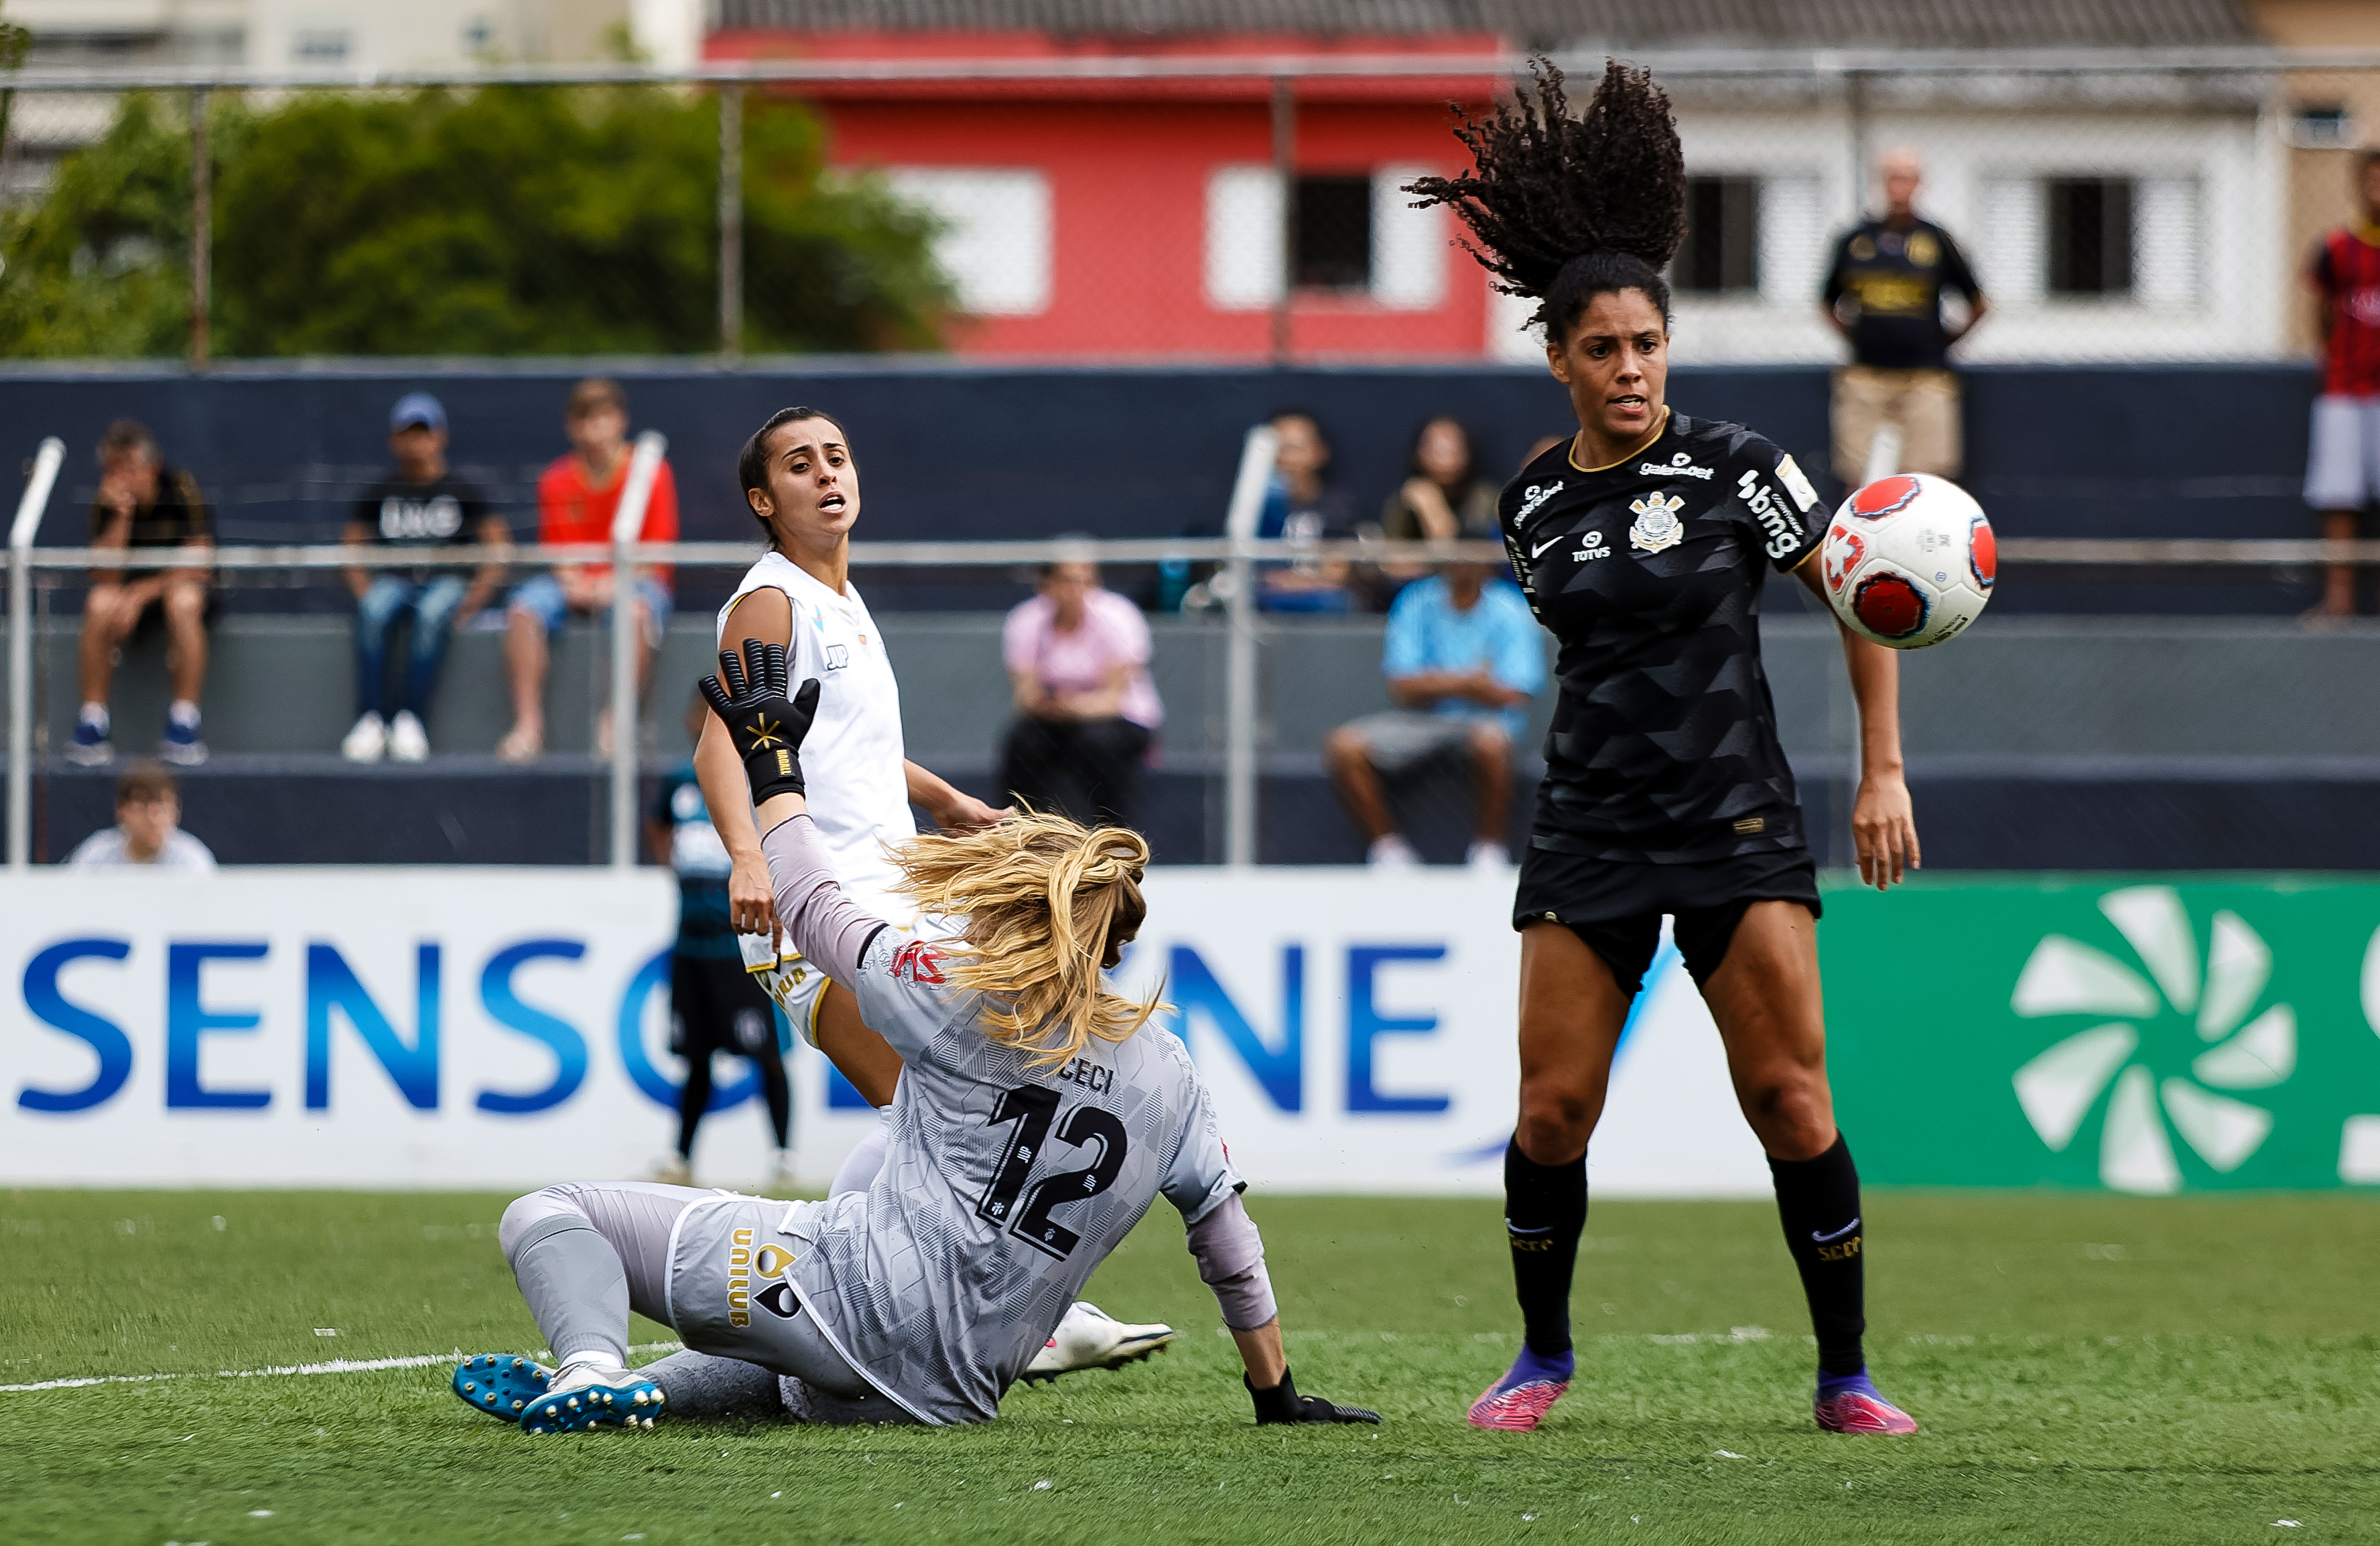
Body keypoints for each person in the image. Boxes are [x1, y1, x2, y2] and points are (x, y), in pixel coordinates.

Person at [448, 638, 1381, 1434]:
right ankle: (644, 1388)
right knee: (846, 1242)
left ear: (1016, 906)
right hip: (949, 1393)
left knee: (550, 1215)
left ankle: (592, 1370)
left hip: (851, 1304)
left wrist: (774, 767)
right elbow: (1226, 1238)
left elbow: (809, 905)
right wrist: (1277, 1395)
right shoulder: (1171, 1075)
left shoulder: (958, 997)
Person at [1409, 59, 1922, 1437]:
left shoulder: (1740, 467)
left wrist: (1880, 766)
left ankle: (1845, 1373)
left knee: (1789, 1096)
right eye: (1602, 349)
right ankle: (1541, 1354)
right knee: (1555, 1108)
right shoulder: (1529, 504)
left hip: (1737, 815)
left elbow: (1861, 593)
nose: (1629, 369)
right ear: (1561, 357)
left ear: (1666, 347)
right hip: (1592, 826)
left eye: (1647, 344)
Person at [695, 405, 1174, 1383]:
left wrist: (946, 798)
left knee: (960, 1101)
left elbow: (847, 744)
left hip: (890, 898)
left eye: (835, 454)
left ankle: (908, 1306)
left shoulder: (840, 599)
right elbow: (720, 741)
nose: (827, 472)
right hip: (811, 911)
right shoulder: (770, 602)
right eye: (799, 464)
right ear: (764, 500)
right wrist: (748, 858)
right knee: (927, 1105)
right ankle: (996, 1320)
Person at [645, 690, 792, 1192]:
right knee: (696, 1056)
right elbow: (658, 826)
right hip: (690, 944)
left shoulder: (755, 778)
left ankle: (783, 1155)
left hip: (741, 945)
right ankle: (681, 1156)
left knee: (765, 1053)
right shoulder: (678, 782)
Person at [500, 377, 679, 762]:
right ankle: (528, 728)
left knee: (635, 611)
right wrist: (581, 584)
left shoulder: (652, 472)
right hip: (574, 586)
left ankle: (614, 728)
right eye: (585, 420)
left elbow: (655, 555)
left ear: (620, 421)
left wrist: (611, 585)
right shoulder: (555, 479)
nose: (594, 430)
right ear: (572, 426)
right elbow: (560, 555)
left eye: (603, 418)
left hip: (636, 583)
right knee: (523, 610)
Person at [1322, 560, 1540, 870]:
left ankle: (1489, 851)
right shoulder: (1417, 599)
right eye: (1457, 558)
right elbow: (1403, 688)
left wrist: (1435, 681)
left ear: (1487, 566)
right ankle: (1389, 850)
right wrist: (1470, 681)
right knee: (1344, 745)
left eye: (1472, 560)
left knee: (1492, 744)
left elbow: (1516, 693)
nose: (1464, 569)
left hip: (1486, 722)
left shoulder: (1509, 606)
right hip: (1423, 721)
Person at [340, 393, 510, 763]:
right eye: (408, 434)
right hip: (394, 580)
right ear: (394, 440)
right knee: (373, 611)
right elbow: (351, 546)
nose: (417, 443)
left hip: (447, 582)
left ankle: (410, 719)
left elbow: (498, 547)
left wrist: (474, 600)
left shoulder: (464, 490)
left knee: (432, 614)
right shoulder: (380, 491)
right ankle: (371, 718)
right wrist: (363, 590)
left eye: (424, 433)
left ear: (440, 436)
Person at [1820, 148, 1988, 487]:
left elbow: (1978, 303)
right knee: (1857, 476)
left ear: (1919, 183)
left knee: (1929, 478)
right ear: (1880, 184)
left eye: (1906, 178)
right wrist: (1857, 338)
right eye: (1892, 178)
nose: (1899, 187)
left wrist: (1944, 341)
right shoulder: (1854, 240)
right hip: (1866, 375)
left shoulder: (1937, 240)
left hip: (1925, 377)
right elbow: (1827, 302)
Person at [67, 420, 214, 768]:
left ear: (153, 466)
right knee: (99, 602)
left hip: (170, 593)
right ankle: (93, 720)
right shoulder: (106, 500)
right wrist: (121, 517)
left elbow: (201, 559)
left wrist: (142, 593)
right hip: (125, 602)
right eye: (113, 470)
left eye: (130, 469)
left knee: (184, 600)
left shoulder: (180, 488)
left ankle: (184, 719)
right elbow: (104, 574)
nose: (122, 479)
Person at [999, 555, 1163, 827]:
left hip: (1123, 720)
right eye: (1068, 580)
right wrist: (1054, 706)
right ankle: (1019, 834)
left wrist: (1069, 705)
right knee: (1024, 743)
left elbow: (1113, 699)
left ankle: (1115, 837)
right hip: (1054, 722)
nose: (1077, 589)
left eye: (1086, 581)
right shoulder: (1025, 620)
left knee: (1097, 743)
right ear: (1046, 584)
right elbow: (1026, 697)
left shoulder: (1119, 616)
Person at [2302, 149, 2380, 620]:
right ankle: (2339, 600)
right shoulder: (2335, 246)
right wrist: (2330, 355)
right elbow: (2319, 304)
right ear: (2359, 186)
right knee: (2339, 496)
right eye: (2372, 182)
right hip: (2344, 391)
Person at [1377, 416, 1502, 600]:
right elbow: (1392, 565)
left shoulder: (1486, 497)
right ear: (1419, 452)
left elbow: (1471, 562)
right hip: (1419, 596)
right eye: (1434, 445)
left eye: (1453, 444)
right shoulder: (1406, 498)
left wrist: (1433, 510)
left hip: (1480, 598)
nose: (1444, 451)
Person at [1256, 411, 1362, 612]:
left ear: (1319, 453)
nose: (1282, 458)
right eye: (1275, 449)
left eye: (1292, 448)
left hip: (1315, 606)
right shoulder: (1256, 509)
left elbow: (1338, 572)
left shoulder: (1337, 507)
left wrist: (1291, 582)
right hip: (1262, 604)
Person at [66, 760, 215, 870]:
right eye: (143, 808)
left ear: (177, 811)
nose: (153, 818)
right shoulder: (95, 859)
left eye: (162, 808)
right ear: (122, 810)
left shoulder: (192, 862)